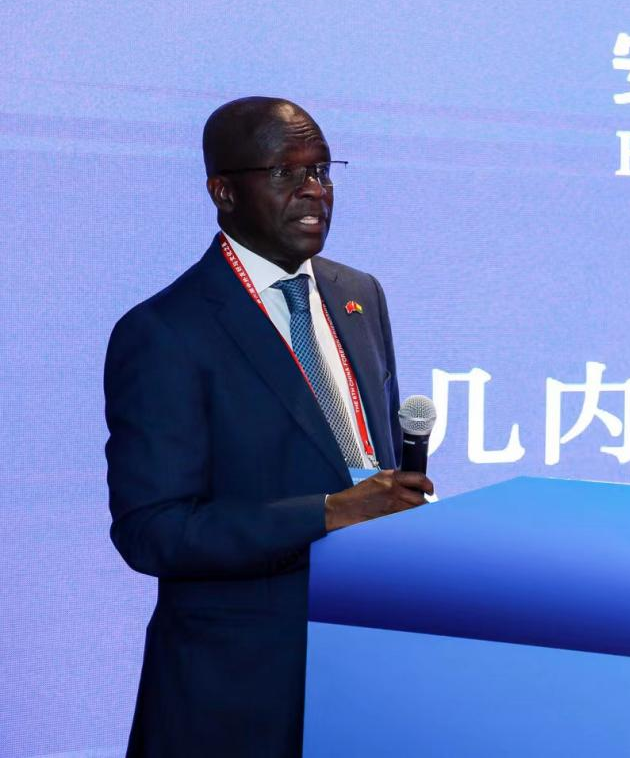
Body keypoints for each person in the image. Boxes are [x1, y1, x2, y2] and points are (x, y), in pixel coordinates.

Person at [104, 97, 433, 757]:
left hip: (365, 670)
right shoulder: (165, 332)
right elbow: (152, 531)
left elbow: (367, 464)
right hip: (237, 694)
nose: (314, 191)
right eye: (286, 172)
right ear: (223, 191)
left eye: (322, 170)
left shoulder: (360, 295)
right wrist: (329, 512)